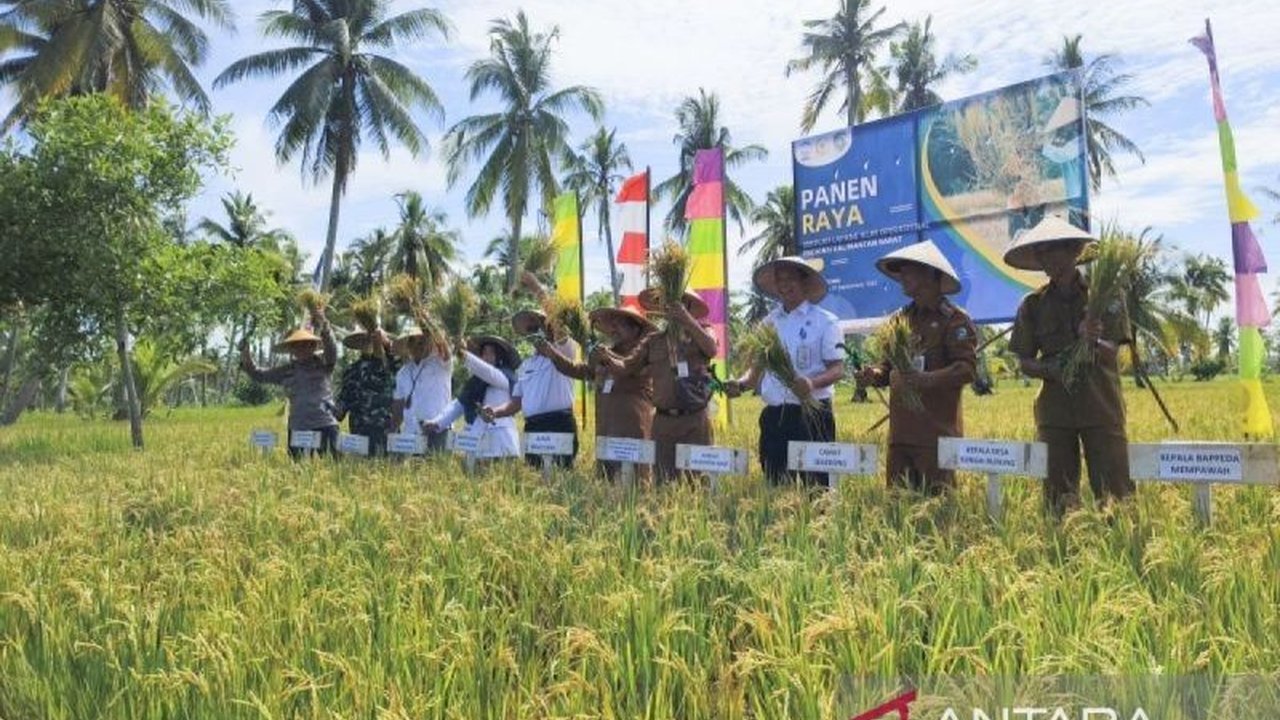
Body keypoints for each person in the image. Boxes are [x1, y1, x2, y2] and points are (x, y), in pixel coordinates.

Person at [1005, 215, 1133, 515]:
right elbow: (1025, 362)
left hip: (1101, 408)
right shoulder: (1032, 304)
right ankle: (1063, 539)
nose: (1044, 258)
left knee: (1116, 495)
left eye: (1050, 249)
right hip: (1055, 413)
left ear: (1073, 251)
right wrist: (1053, 370)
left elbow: (1113, 354)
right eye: (1039, 252)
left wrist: (1093, 340)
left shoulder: (1105, 297)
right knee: (1058, 499)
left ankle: (1120, 538)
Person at [855, 241, 978, 495]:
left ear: (930, 274)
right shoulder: (899, 320)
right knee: (897, 507)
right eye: (900, 271)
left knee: (938, 507)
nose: (902, 277)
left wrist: (924, 380)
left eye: (908, 270)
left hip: (936, 436)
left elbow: (966, 369)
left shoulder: (954, 320)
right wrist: (872, 375)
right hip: (901, 435)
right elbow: (886, 368)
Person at [727, 256, 844, 486]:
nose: (785, 285)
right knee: (776, 484)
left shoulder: (826, 322)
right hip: (776, 416)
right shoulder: (768, 323)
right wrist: (739, 384)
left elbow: (838, 369)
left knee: (818, 487)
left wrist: (811, 383)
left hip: (812, 415)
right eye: (780, 280)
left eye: (791, 279)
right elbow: (755, 373)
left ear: (805, 282)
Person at [598, 290, 717, 482]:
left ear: (689, 307)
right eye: (668, 304)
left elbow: (712, 349)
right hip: (663, 423)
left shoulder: (703, 331)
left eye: (681, 304)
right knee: (664, 482)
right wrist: (607, 357)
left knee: (697, 482)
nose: (673, 307)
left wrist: (686, 319)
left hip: (695, 420)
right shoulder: (654, 341)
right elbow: (626, 367)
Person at [540, 306, 656, 481]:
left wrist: (608, 357)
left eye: (620, 325)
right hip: (606, 425)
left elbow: (627, 368)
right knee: (608, 479)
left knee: (635, 479)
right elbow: (581, 371)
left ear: (635, 329)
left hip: (632, 424)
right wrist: (553, 355)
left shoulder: (646, 354)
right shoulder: (604, 352)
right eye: (612, 325)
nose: (614, 329)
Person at [481, 309, 580, 469]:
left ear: (549, 328)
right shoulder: (526, 365)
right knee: (534, 473)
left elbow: (561, 332)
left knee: (561, 473)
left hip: (559, 422)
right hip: (533, 426)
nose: (535, 332)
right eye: (530, 329)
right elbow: (515, 403)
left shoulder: (564, 351)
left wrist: (546, 313)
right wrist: (495, 411)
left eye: (539, 326)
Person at [240, 307, 339, 459]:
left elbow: (332, 350)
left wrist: (324, 324)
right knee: (298, 467)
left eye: (307, 344)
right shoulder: (286, 371)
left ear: (313, 346)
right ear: (291, 349)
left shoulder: (324, 364)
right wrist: (245, 354)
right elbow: (258, 375)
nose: (302, 348)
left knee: (333, 467)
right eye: (297, 345)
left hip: (325, 423)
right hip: (299, 427)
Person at [422, 336, 521, 461]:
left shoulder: (504, 377)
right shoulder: (474, 383)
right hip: (477, 443)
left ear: (500, 357)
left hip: (501, 443)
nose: (486, 357)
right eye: (484, 353)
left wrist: (463, 354)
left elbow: (488, 372)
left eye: (491, 353)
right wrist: (437, 423)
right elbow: (459, 405)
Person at [333, 327, 397, 456]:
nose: (366, 342)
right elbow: (344, 401)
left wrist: (386, 343)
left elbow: (399, 358)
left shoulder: (389, 364)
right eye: (361, 340)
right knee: (362, 466)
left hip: (386, 429)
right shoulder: (351, 370)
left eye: (369, 339)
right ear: (357, 344)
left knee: (388, 466)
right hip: (359, 432)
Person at [390, 326, 453, 453]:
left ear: (429, 342)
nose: (418, 346)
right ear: (408, 346)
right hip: (411, 433)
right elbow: (398, 406)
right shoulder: (403, 372)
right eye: (413, 342)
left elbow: (445, 348)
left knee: (436, 464)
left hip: (438, 430)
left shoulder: (441, 363)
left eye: (422, 341)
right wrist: (392, 430)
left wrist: (430, 324)